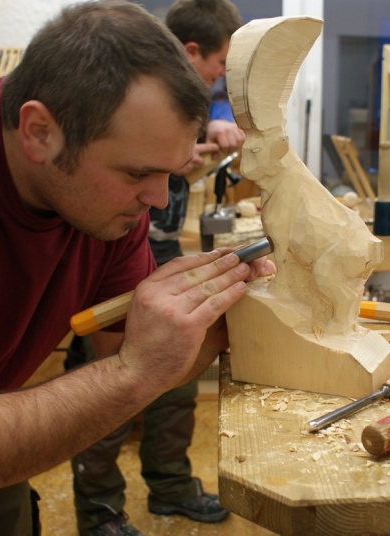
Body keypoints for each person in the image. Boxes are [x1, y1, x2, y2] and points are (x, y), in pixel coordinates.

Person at [0, 1, 273, 535]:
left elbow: (127, 351)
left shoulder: (107, 206)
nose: (157, 199)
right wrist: (134, 373)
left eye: (169, 174)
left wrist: (214, 327)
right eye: (138, 174)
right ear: (39, 132)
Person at [67, 1, 245, 534]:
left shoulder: (189, 104)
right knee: (105, 385)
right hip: (105, 251)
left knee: (175, 380)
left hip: (158, 251)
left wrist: (202, 141)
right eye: (220, 64)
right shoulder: (122, 95)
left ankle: (170, 487)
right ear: (191, 51)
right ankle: (99, 510)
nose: (221, 77)